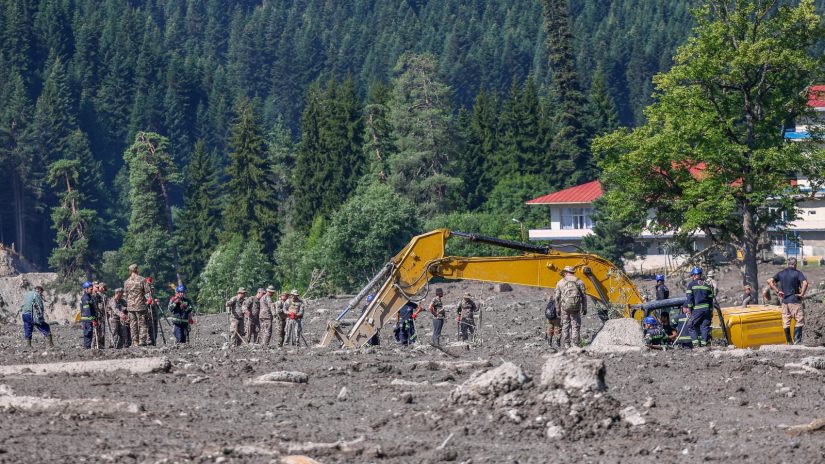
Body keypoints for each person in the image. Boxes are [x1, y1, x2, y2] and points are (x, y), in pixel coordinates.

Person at [768, 257, 808, 344]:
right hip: (795, 300)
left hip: (784, 301)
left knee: (786, 322)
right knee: (799, 320)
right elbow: (805, 283)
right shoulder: (797, 273)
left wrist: (778, 291)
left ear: (787, 264)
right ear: (795, 264)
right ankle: (797, 341)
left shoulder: (781, 273)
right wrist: (802, 294)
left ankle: (789, 342)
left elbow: (770, 281)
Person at [554, 265, 587, 348]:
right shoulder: (579, 281)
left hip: (564, 307)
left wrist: (557, 308)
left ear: (565, 272)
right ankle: (575, 344)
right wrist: (584, 307)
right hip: (576, 307)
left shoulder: (560, 282)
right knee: (575, 325)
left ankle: (567, 344)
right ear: (573, 272)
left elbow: (557, 297)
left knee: (565, 325)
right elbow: (584, 296)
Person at [686, 267, 714, 347]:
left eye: (692, 275)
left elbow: (689, 299)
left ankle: (696, 345)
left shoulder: (691, 284)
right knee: (704, 327)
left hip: (697, 309)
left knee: (690, 325)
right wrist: (711, 310)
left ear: (694, 275)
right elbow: (711, 299)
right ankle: (704, 345)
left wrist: (690, 309)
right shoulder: (706, 285)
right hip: (707, 310)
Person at [123, 264, 151, 347]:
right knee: (142, 323)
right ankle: (142, 340)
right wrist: (148, 302)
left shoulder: (126, 282)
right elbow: (147, 292)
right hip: (140, 305)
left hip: (131, 306)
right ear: (137, 270)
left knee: (133, 324)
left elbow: (126, 294)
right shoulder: (142, 280)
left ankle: (135, 341)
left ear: (130, 271)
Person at [80, 281, 100, 349]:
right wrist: (92, 320)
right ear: (86, 289)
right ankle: (86, 349)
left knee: (90, 335)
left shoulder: (90, 297)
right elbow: (87, 311)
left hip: (90, 320)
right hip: (87, 320)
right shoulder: (85, 298)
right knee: (88, 335)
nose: (92, 290)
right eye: (90, 289)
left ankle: (87, 348)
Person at [93, 282, 109, 347]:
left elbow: (107, 305)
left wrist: (107, 312)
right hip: (98, 315)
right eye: (101, 287)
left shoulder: (105, 296)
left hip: (103, 315)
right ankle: (95, 344)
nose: (102, 288)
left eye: (103, 287)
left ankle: (102, 344)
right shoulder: (96, 295)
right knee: (97, 330)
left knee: (102, 330)